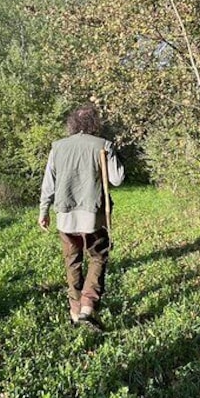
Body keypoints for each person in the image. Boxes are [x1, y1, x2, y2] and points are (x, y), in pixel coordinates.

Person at [39, 105, 124, 328]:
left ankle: (74, 311)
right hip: (92, 216)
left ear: (72, 125)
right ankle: (88, 306)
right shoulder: (103, 145)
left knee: (72, 261)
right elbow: (117, 179)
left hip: (65, 216)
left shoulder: (57, 147)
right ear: (94, 124)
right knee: (98, 256)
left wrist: (43, 211)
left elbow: (49, 183)